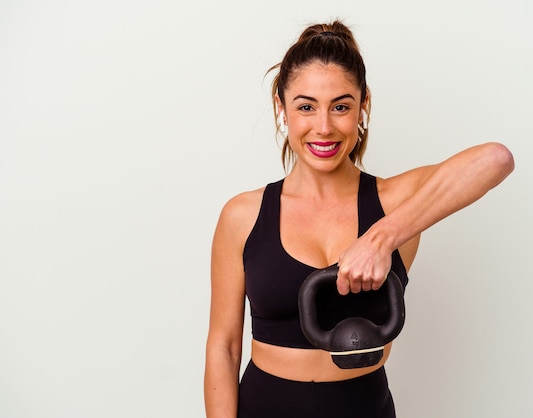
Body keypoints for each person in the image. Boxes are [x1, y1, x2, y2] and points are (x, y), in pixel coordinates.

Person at [204, 20, 514, 418]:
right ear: (281, 108)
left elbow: (496, 159)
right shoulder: (244, 215)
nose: (324, 127)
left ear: (363, 106)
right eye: (306, 106)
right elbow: (224, 347)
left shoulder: (393, 202)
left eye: (341, 106)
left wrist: (381, 238)